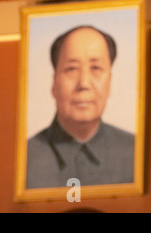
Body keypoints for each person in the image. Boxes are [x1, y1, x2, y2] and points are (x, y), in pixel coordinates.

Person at [26, 26, 134, 189]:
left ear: (110, 81)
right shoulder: (25, 157)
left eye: (96, 68)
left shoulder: (134, 152)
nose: (84, 83)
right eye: (72, 69)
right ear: (54, 82)